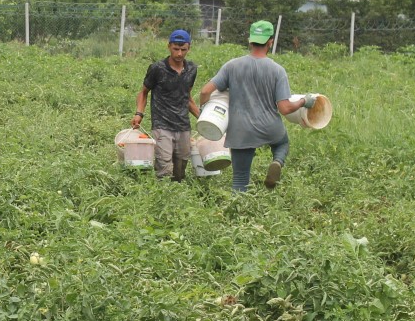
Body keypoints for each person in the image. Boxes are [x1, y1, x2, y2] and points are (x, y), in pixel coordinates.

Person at [198, 20, 314, 192]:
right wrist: (304, 101)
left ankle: (238, 206)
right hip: (270, 127)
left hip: (241, 130)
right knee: (282, 144)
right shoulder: (277, 70)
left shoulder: (231, 66)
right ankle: (277, 162)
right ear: (270, 42)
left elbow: (205, 91)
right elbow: (285, 108)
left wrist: (204, 110)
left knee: (240, 178)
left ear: (250, 41)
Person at [132, 29, 200, 181]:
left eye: (183, 50)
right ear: (169, 46)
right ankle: (162, 192)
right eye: (176, 49)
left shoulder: (191, 70)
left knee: (180, 170)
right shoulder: (157, 68)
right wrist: (139, 113)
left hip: (183, 125)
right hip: (162, 124)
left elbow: (187, 97)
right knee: (164, 168)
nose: (179, 54)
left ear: (189, 48)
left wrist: (203, 119)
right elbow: (143, 92)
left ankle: (176, 193)